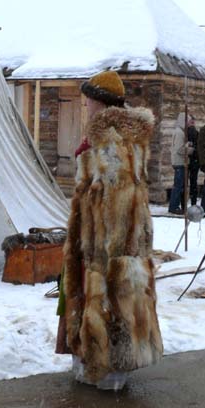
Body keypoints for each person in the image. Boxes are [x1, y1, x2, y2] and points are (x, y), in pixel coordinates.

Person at [56, 70, 163, 390]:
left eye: (89, 100)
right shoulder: (117, 136)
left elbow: (114, 203)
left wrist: (104, 248)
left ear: (101, 103)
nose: (85, 106)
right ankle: (96, 364)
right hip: (101, 239)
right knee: (109, 301)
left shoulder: (111, 141)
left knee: (109, 301)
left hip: (107, 243)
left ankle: (107, 370)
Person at [168, 112, 194, 214]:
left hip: (179, 161)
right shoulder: (180, 133)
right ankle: (173, 207)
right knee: (178, 186)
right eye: (188, 121)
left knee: (179, 186)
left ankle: (175, 206)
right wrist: (190, 149)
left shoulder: (179, 131)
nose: (189, 124)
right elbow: (179, 149)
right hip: (180, 162)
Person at [187, 115, 200, 207]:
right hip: (192, 160)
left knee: (191, 182)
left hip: (193, 160)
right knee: (192, 182)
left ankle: (192, 203)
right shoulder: (185, 132)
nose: (192, 123)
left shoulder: (195, 133)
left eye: (192, 121)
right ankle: (192, 203)